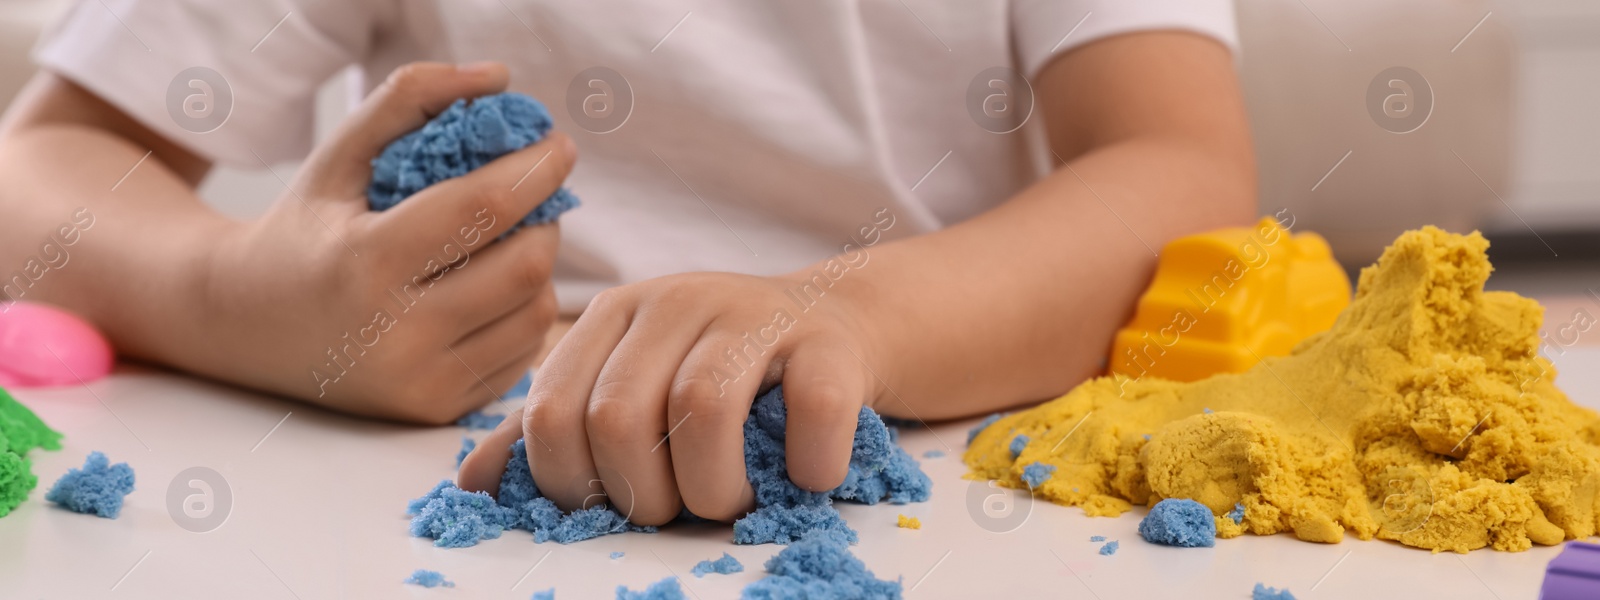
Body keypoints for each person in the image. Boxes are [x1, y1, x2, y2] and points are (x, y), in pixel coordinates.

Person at [0, 1, 1254, 526]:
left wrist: (850, 317)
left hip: (926, 440)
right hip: (447, 464)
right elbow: (43, 160)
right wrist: (242, 301)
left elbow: (1183, 168)